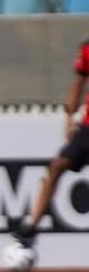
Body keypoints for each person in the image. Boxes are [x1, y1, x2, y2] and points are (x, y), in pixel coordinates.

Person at [12, 38, 89, 250]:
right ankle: (32, 226)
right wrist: (70, 119)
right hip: (88, 127)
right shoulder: (87, 49)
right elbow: (78, 84)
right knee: (57, 165)